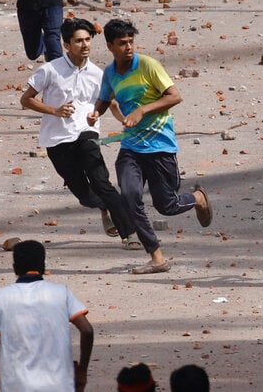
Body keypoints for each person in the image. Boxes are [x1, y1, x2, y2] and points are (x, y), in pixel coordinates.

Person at [91, 18, 213, 275]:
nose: (128, 47)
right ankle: (156, 257)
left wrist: (142, 110)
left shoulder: (148, 65)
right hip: (131, 148)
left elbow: (175, 96)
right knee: (130, 196)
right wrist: (95, 113)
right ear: (110, 45)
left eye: (131, 42)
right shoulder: (110, 73)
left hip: (160, 146)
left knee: (166, 205)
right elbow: (104, 99)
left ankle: (198, 199)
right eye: (122, 43)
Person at [20, 17, 138, 246]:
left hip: (86, 132)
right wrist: (54, 110)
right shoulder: (50, 71)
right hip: (56, 138)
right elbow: (26, 100)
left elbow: (110, 103)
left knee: (101, 182)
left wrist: (125, 121)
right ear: (66, 45)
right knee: (83, 194)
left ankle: (130, 233)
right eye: (78, 41)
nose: (84, 45)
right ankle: (103, 207)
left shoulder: (99, 74)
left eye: (87, 40)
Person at [0, 240, 94, 392]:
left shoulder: (0, 297)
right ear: (44, 267)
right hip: (59, 385)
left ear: (14, 268)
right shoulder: (61, 293)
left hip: (16, 385)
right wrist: (82, 371)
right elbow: (87, 330)